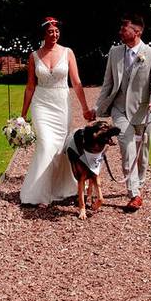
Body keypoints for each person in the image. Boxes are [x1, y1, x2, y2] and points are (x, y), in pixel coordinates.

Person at [19, 17, 95, 207]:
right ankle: (38, 194)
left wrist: (85, 108)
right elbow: (30, 87)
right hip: (41, 104)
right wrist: (23, 115)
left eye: (56, 31)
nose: (54, 34)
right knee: (45, 145)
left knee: (60, 149)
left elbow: (76, 82)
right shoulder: (34, 56)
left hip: (61, 104)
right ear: (43, 34)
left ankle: (61, 188)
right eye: (50, 31)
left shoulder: (67, 52)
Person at [94, 14, 151, 212]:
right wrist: (97, 108)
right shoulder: (114, 52)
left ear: (137, 32)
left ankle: (138, 183)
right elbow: (108, 84)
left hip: (144, 112)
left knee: (143, 153)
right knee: (127, 147)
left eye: (124, 29)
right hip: (119, 110)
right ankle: (134, 193)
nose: (120, 32)